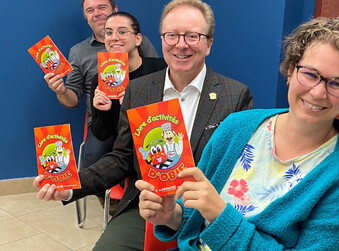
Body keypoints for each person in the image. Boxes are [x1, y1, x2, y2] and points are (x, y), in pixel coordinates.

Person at [136, 16, 339, 250]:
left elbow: (214, 214)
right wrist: (171, 216)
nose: (317, 92)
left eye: (336, 83)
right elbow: (193, 219)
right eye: (310, 74)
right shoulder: (236, 127)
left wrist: (221, 217)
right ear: (291, 72)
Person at [33, 0, 253, 250]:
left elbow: (240, 171)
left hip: (206, 212)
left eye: (192, 36)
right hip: (147, 207)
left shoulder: (235, 95)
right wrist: (71, 185)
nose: (181, 44)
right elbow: (121, 157)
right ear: (161, 39)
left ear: (208, 43)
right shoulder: (138, 90)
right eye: (171, 35)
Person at [44, 0, 159, 175]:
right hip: (104, 118)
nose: (96, 13)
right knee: (93, 167)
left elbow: (155, 77)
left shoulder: (142, 46)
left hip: (144, 116)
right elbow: (72, 99)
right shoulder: (79, 53)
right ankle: (111, 198)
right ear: (86, 17)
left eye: (102, 7)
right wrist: (61, 91)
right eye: (90, 10)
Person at [90, 12, 167, 143]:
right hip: (124, 154)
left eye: (122, 32)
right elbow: (101, 134)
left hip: (159, 146)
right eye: (108, 33)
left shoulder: (161, 69)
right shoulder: (99, 80)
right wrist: (103, 111)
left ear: (138, 39)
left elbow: (172, 119)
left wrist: (134, 106)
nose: (114, 38)